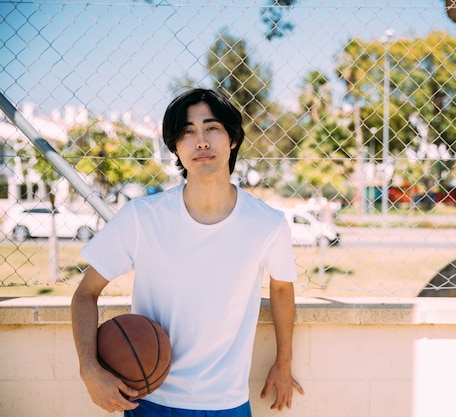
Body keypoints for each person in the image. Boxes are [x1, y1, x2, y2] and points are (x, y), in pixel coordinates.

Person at [71, 88, 304, 416]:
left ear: (233, 139)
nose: (201, 141)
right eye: (187, 132)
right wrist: (89, 370)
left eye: (212, 128)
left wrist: (283, 362)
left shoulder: (267, 223)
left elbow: (281, 287)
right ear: (175, 147)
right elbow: (85, 294)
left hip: (227, 403)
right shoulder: (142, 217)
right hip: (151, 400)